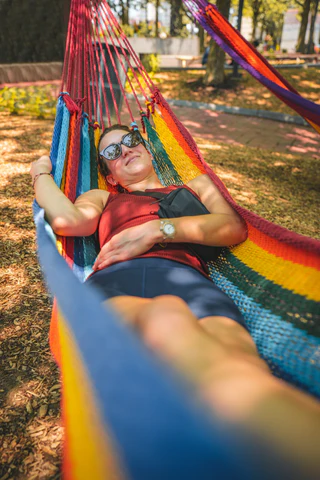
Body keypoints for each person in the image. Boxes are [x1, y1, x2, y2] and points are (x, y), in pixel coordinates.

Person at [30, 124, 320, 477]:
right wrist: (41, 174)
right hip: (118, 281)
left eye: (130, 141)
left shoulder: (195, 186)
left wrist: (155, 230)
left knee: (242, 360)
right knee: (167, 320)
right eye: (111, 152)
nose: (124, 151)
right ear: (111, 175)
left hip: (193, 283)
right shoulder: (104, 197)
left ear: (148, 149)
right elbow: (67, 219)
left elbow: (233, 228)